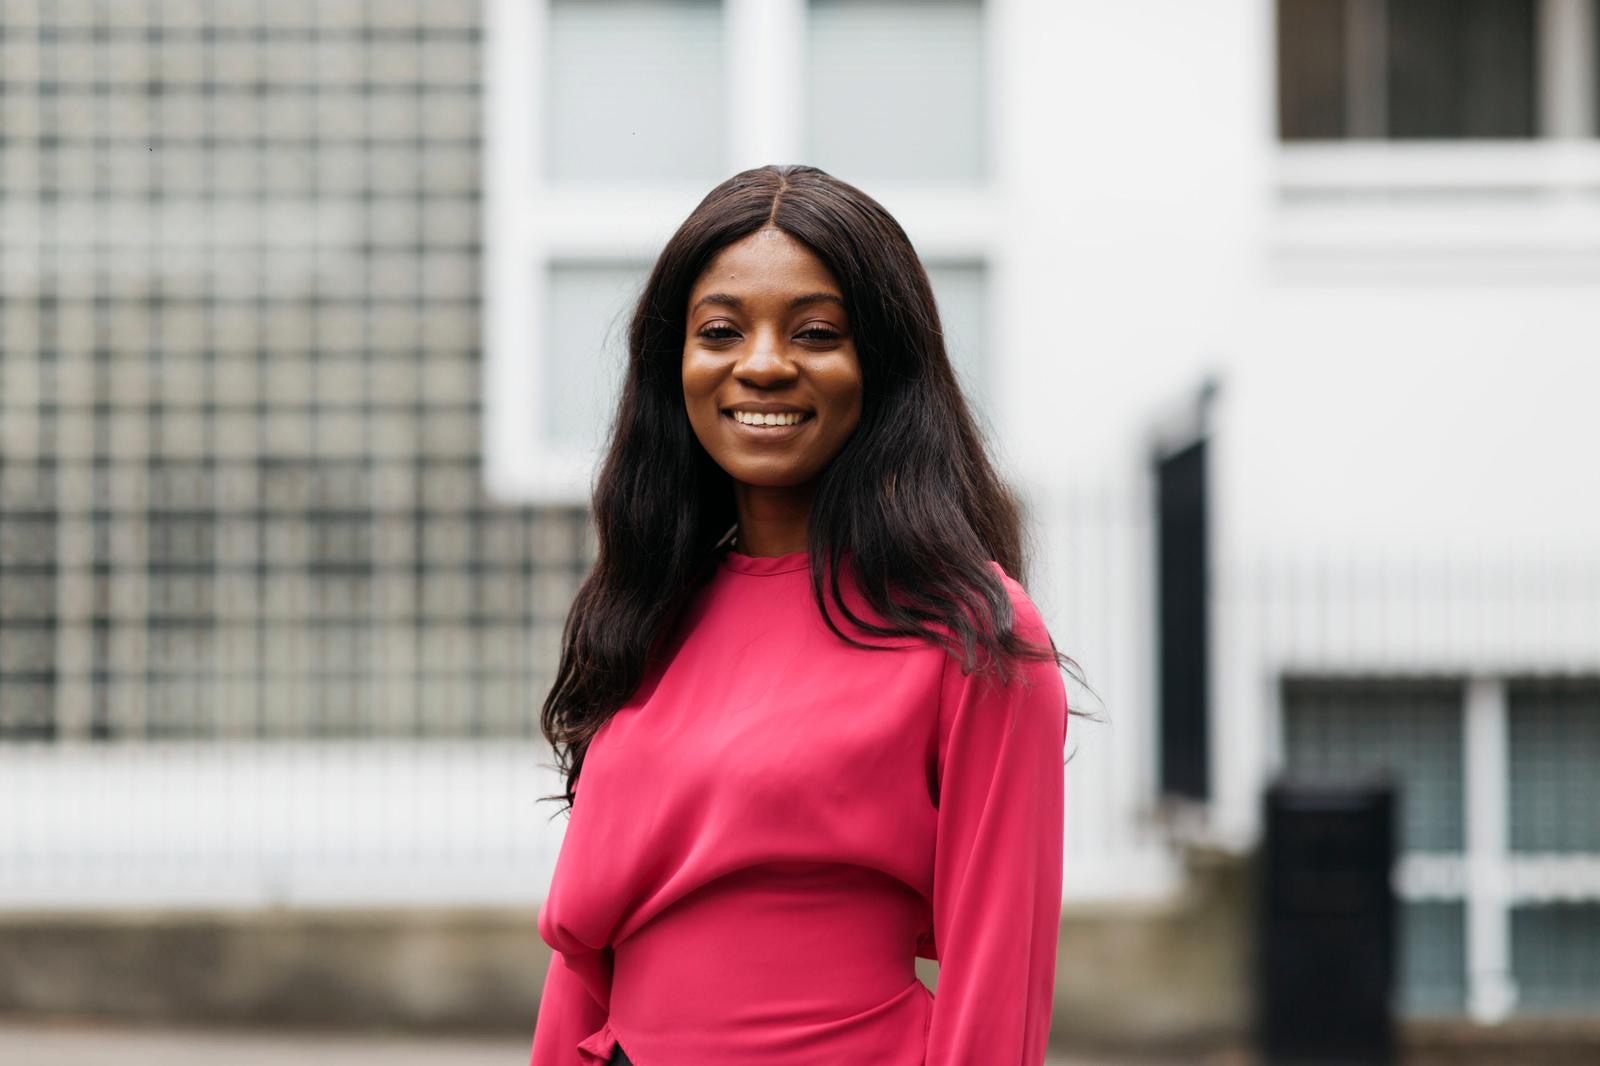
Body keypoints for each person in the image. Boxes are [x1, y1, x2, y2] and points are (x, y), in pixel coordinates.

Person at [527, 164, 1089, 1066]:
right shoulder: (648, 606)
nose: (761, 362)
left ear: (883, 363)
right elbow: (589, 952)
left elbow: (1001, 977)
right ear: (675, 362)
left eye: (816, 331)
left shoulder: (975, 632)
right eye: (719, 330)